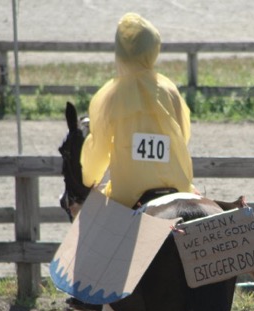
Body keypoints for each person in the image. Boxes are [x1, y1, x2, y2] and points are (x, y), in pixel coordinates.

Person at [81, 12, 195, 209]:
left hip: (128, 198)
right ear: (153, 50)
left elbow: (98, 152)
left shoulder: (110, 96)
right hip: (178, 188)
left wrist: (88, 179)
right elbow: (182, 138)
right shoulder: (170, 90)